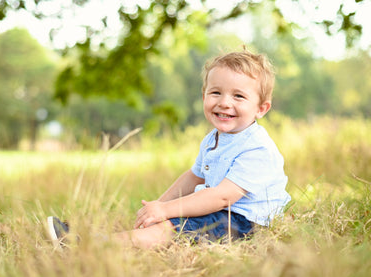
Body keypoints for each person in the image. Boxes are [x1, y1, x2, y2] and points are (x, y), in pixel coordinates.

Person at [47, 49, 291, 249]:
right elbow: (194, 176)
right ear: (204, 95)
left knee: (169, 229)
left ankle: (89, 249)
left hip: (245, 223)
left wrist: (165, 211)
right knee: (165, 222)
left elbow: (222, 197)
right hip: (221, 212)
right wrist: (157, 206)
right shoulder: (213, 139)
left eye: (239, 96)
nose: (224, 102)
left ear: (261, 108)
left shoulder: (257, 148)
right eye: (215, 92)